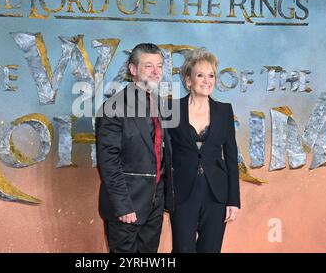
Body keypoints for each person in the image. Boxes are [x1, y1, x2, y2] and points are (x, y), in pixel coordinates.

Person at [95, 43, 174, 253]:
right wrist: (123, 206)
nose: (156, 72)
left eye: (159, 66)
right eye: (149, 66)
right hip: (127, 205)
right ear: (133, 69)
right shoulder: (114, 108)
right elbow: (108, 162)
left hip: (155, 205)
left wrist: (165, 197)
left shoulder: (163, 105)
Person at [168, 47, 240, 253]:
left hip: (216, 195)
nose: (207, 80)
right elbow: (163, 153)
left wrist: (233, 200)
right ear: (188, 80)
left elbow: (231, 157)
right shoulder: (171, 109)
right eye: (200, 75)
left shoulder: (224, 111)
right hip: (182, 194)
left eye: (211, 75)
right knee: (182, 250)